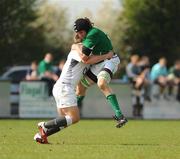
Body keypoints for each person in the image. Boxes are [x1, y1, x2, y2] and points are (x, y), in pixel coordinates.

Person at [34, 44, 114, 144]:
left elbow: (91, 60)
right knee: (74, 118)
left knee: (66, 119)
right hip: (65, 87)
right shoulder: (76, 53)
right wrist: (107, 55)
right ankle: (45, 125)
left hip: (64, 88)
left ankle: (42, 135)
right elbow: (86, 59)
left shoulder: (84, 53)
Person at [73, 18, 127, 127]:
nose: (79, 35)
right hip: (100, 62)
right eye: (77, 33)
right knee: (80, 87)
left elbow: (84, 59)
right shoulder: (89, 33)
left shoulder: (93, 34)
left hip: (109, 61)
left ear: (86, 29)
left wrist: (75, 46)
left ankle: (120, 115)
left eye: (81, 32)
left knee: (101, 83)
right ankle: (72, 112)